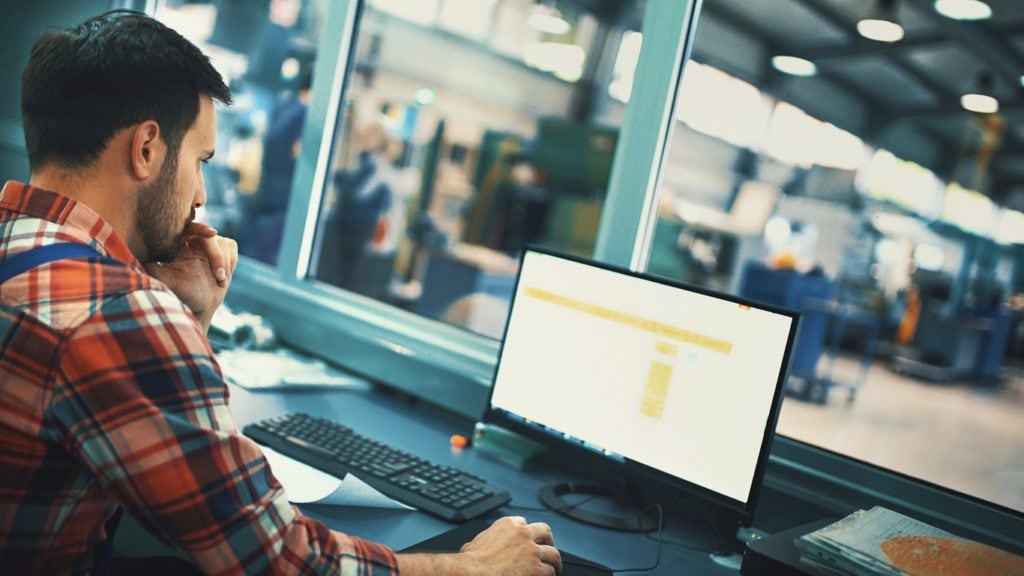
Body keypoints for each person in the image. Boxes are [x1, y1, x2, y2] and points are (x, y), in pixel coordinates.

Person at [0, 10, 561, 576]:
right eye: (200, 161)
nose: (199, 196)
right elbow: (282, 561)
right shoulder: (118, 313)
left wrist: (188, 317)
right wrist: (473, 568)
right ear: (146, 148)